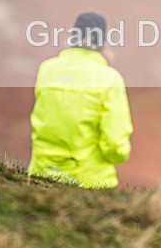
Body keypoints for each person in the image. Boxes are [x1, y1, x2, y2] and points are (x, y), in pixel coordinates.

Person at [28, 12, 134, 188]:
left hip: (40, 174)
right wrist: (120, 154)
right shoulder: (109, 79)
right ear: (103, 43)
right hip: (89, 181)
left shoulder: (47, 69)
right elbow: (115, 146)